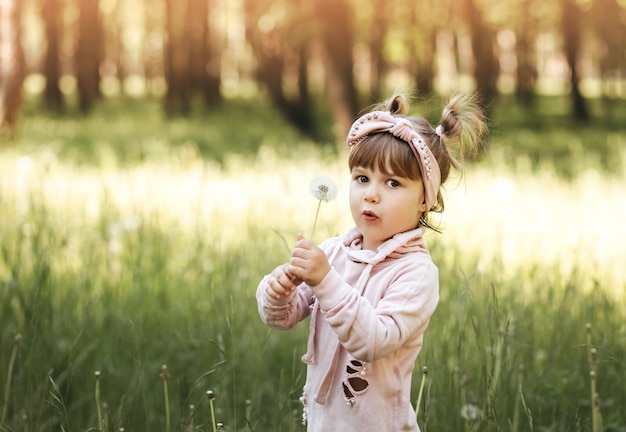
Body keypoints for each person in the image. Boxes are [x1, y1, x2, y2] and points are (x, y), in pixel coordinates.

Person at [256, 93, 487, 431]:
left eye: (392, 183)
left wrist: (324, 280)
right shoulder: (334, 252)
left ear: (425, 199)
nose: (371, 194)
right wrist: (276, 291)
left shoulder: (415, 273)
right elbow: (284, 317)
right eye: (362, 178)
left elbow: (374, 340)